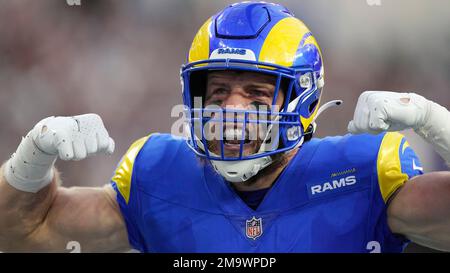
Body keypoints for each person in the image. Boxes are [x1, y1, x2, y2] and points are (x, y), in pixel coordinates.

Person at [0, 1, 449, 253]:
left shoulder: (361, 173)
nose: (231, 110)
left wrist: (434, 120)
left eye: (255, 93)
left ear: (304, 99)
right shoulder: (158, 177)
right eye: (217, 93)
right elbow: (21, 234)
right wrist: (32, 156)